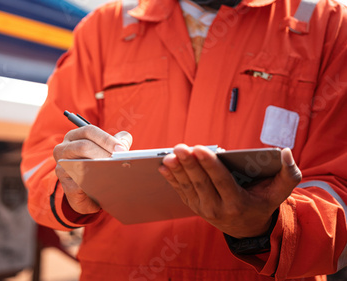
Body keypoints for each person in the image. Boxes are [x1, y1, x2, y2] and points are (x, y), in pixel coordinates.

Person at [21, 0, 347, 279]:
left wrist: (267, 225)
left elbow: (338, 185)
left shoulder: (327, 27)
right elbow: (42, 158)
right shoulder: (104, 28)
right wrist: (71, 186)